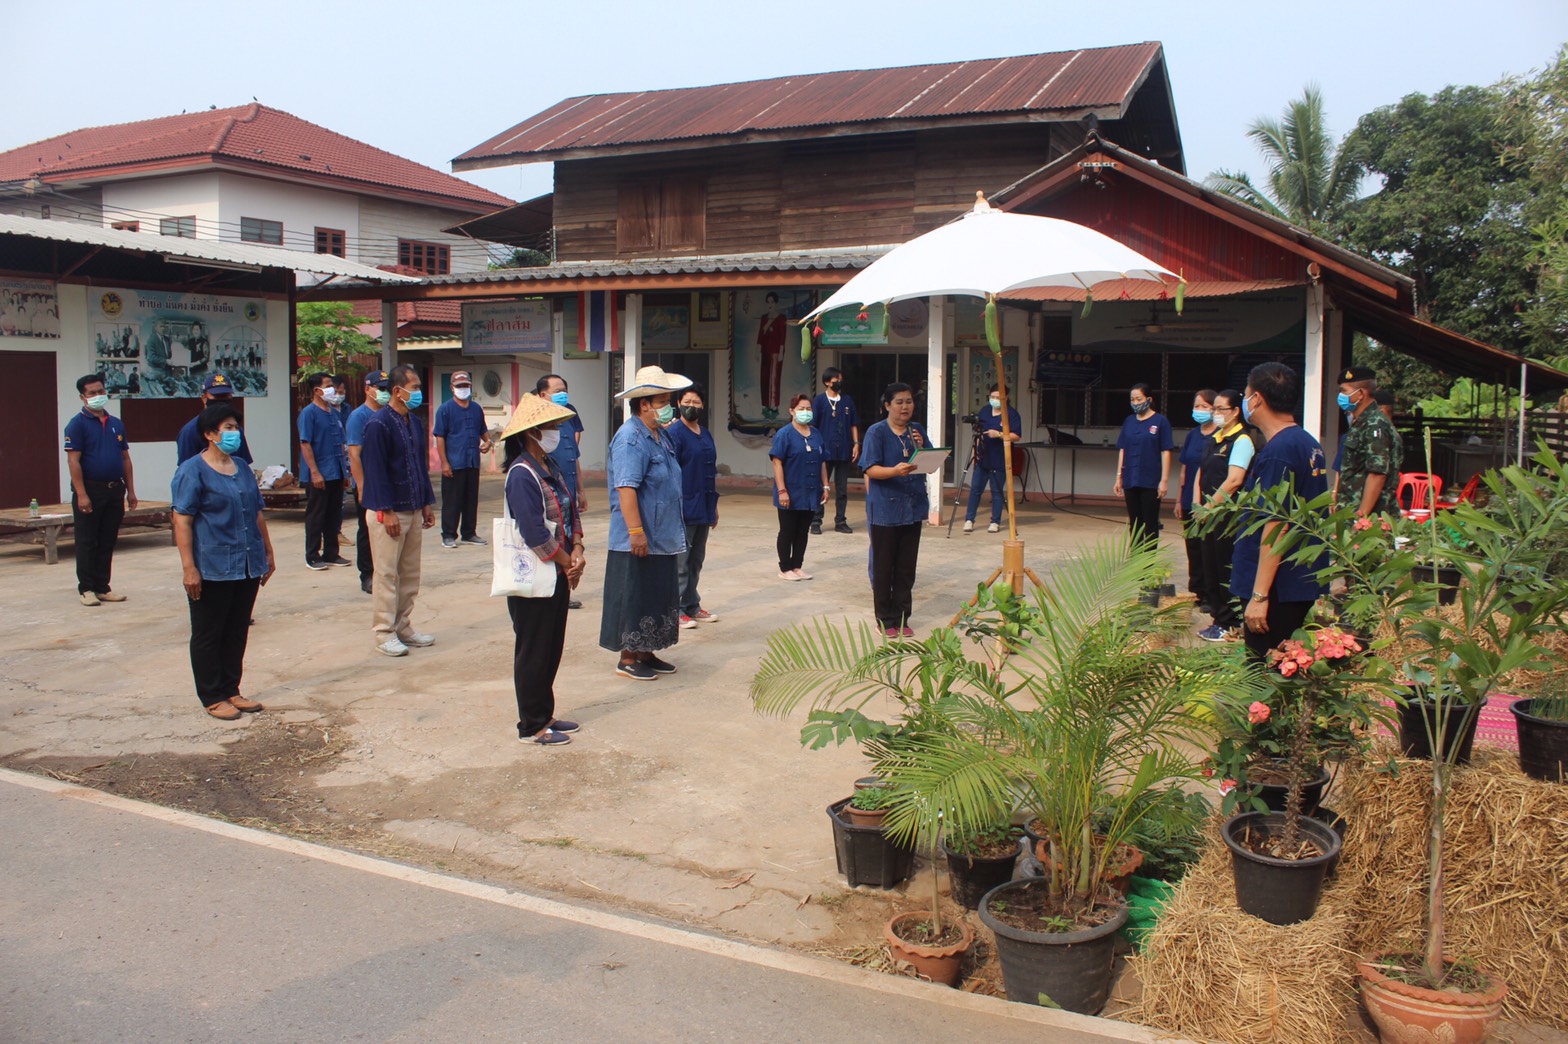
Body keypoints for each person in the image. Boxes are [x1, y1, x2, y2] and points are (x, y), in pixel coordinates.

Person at [171, 404, 276, 720]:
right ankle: (212, 695)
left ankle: (232, 688)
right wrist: (189, 567)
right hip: (213, 566)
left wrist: (268, 553)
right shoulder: (192, 470)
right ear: (209, 434)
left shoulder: (242, 467)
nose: (234, 433)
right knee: (209, 631)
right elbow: (182, 520)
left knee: (236, 629)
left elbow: (257, 512)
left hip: (246, 563)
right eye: (227, 427)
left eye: (236, 427)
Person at [499, 394, 586, 746]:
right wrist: (568, 562)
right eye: (551, 427)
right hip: (537, 573)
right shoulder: (522, 474)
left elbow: (570, 512)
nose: (556, 432)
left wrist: (578, 548)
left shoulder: (549, 465)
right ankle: (530, 724)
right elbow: (534, 531)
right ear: (533, 432)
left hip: (558, 570)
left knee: (551, 647)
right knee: (534, 650)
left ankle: (545, 712)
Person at [1231, 363, 1330, 661]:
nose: (1244, 402)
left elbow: (1277, 525)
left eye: (1245, 395)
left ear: (1257, 399)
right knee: (1286, 666)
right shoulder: (1305, 442)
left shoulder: (1279, 453)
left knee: (1265, 673)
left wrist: (1259, 597)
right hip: (1295, 582)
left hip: (1278, 587)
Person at [602, 365, 691, 681]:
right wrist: (636, 532)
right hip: (638, 537)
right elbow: (626, 487)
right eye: (664, 399)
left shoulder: (660, 435)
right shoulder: (630, 438)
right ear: (644, 404)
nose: (670, 405)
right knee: (635, 594)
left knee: (655, 594)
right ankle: (628, 657)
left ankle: (645, 651)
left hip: (663, 534)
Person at [360, 365, 438, 657]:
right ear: (397, 391)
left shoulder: (414, 423)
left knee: (409, 573)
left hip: (414, 507)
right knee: (386, 574)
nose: (417, 393)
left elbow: (420, 466)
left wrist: (427, 502)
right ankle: (384, 632)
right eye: (414, 387)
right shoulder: (378, 424)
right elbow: (375, 470)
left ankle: (403, 625)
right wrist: (386, 510)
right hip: (389, 512)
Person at [64, 374, 138, 606]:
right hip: (91, 490)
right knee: (87, 541)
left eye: (101, 391)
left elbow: (125, 458)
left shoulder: (117, 423)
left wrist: (131, 491)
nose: (98, 396)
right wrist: (82, 494)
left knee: (108, 539)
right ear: (83, 397)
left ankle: (102, 586)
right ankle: (86, 588)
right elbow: (73, 461)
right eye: (92, 393)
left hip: (114, 489)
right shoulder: (76, 425)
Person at [861, 382, 928, 637]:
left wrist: (922, 447)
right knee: (884, 566)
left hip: (912, 508)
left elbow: (928, 462)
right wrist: (894, 471)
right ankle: (884, 619)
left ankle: (902, 617)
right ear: (887, 405)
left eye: (909, 401)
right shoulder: (876, 433)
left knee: (906, 567)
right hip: (886, 510)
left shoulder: (916, 430)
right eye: (899, 402)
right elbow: (870, 468)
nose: (905, 407)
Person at [1195, 389, 1260, 642]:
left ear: (1235, 412)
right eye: (1215, 409)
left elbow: (1234, 480)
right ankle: (1218, 617)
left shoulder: (1242, 441)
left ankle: (1230, 622)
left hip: (1226, 515)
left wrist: (1209, 508)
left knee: (1224, 568)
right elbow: (1202, 473)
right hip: (1207, 514)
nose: (1216, 414)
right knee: (1209, 566)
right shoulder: (1215, 437)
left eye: (1222, 409)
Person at [666, 383, 720, 627]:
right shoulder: (675, 433)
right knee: (681, 562)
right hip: (683, 506)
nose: (691, 406)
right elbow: (670, 472)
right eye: (687, 402)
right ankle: (675, 608)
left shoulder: (705, 433)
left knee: (696, 559)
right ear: (678, 404)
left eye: (696, 403)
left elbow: (710, 471)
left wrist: (714, 506)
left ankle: (692, 604)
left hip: (704, 505)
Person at [538, 374, 587, 609]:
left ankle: (564, 589)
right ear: (542, 395)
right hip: (549, 495)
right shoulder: (538, 423)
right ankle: (550, 589)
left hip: (568, 493)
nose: (562, 393)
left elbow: (574, 456)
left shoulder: (568, 415)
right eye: (557, 390)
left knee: (568, 539)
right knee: (550, 541)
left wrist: (580, 490)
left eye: (564, 389)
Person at [770, 393, 828, 581]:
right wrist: (782, 490)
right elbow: (777, 463)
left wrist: (825, 486)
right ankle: (784, 567)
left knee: (803, 531)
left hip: (811, 491)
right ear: (792, 411)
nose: (805, 412)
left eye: (808, 408)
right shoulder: (784, 434)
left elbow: (822, 461)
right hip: (790, 491)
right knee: (788, 530)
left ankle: (797, 566)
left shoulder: (816, 433)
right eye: (801, 409)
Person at [433, 370, 492, 549]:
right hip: (454, 462)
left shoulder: (476, 409)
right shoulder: (445, 409)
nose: (463, 389)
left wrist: (488, 442)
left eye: (466, 385)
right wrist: (444, 462)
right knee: (452, 500)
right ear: (452, 388)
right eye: (459, 386)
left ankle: (469, 533)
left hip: (472, 461)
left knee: (470, 499)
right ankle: (449, 534)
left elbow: (483, 430)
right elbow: (440, 436)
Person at [1336, 366, 1403, 517]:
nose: (1341, 396)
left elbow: (1377, 474)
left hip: (1371, 520)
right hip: (1350, 511)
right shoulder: (1361, 422)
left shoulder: (1375, 424)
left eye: (1344, 391)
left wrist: (1362, 517)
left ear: (1360, 394)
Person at [298, 372, 348, 570]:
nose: (332, 389)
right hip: (319, 473)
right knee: (316, 515)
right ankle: (312, 555)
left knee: (334, 514)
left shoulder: (334, 413)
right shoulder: (309, 413)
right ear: (317, 389)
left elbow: (340, 445)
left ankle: (332, 553)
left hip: (336, 471)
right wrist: (315, 472)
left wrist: (345, 474)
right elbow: (306, 444)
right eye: (328, 385)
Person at [346, 370, 390, 595]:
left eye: (386, 389)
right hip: (368, 483)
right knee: (366, 530)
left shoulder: (389, 414)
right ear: (367, 389)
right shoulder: (358, 416)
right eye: (380, 389)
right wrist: (361, 486)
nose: (384, 393)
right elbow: (354, 455)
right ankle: (367, 574)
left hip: (385, 482)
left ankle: (384, 573)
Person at [1114, 383, 1173, 551]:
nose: (1135, 402)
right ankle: (1136, 562)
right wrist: (1119, 476)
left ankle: (1148, 565)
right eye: (1132, 399)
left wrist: (1164, 480)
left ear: (1149, 399)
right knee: (1135, 523)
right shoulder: (1129, 421)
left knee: (1150, 523)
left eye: (1138, 399)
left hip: (1150, 480)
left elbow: (1165, 451)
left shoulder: (1160, 421)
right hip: (1130, 478)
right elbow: (1122, 449)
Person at [1173, 389, 1218, 603]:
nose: (1199, 410)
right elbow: (1184, 469)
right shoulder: (1192, 435)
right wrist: (1179, 499)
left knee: (1209, 548)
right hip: (1189, 499)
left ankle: (1211, 594)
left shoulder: (1220, 436)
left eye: (1204, 407)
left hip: (1211, 502)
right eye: (1196, 406)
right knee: (1192, 546)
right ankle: (1196, 590)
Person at [963, 382, 1022, 535]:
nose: (994, 399)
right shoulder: (984, 411)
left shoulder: (1011, 414)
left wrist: (1000, 434)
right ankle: (969, 519)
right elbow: (978, 433)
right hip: (983, 457)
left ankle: (995, 521)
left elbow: (1016, 436)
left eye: (998, 397)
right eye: (992, 396)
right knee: (975, 489)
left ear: (1005, 398)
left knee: (996, 492)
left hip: (1000, 458)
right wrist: (974, 454)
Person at [810, 367, 859, 535]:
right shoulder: (819, 401)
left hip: (844, 450)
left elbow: (853, 423)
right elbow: (813, 426)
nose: (839, 382)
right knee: (821, 485)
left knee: (842, 488)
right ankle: (816, 521)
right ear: (827, 382)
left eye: (840, 379)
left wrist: (856, 443)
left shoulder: (847, 401)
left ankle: (841, 521)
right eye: (836, 380)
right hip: (825, 451)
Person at [176, 373, 251, 465]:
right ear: (204, 398)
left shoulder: (235, 429)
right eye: (217, 396)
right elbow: (187, 471)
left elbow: (243, 465)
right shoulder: (190, 431)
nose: (221, 400)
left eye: (225, 396)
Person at [756, 292, 787, 420]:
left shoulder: (781, 318)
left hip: (775, 353)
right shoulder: (765, 318)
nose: (770, 304)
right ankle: (765, 405)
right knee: (764, 378)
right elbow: (760, 335)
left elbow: (782, 336)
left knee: (774, 380)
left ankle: (774, 406)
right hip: (765, 353)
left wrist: (781, 352)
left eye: (772, 302)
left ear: (776, 303)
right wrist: (757, 350)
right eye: (768, 302)